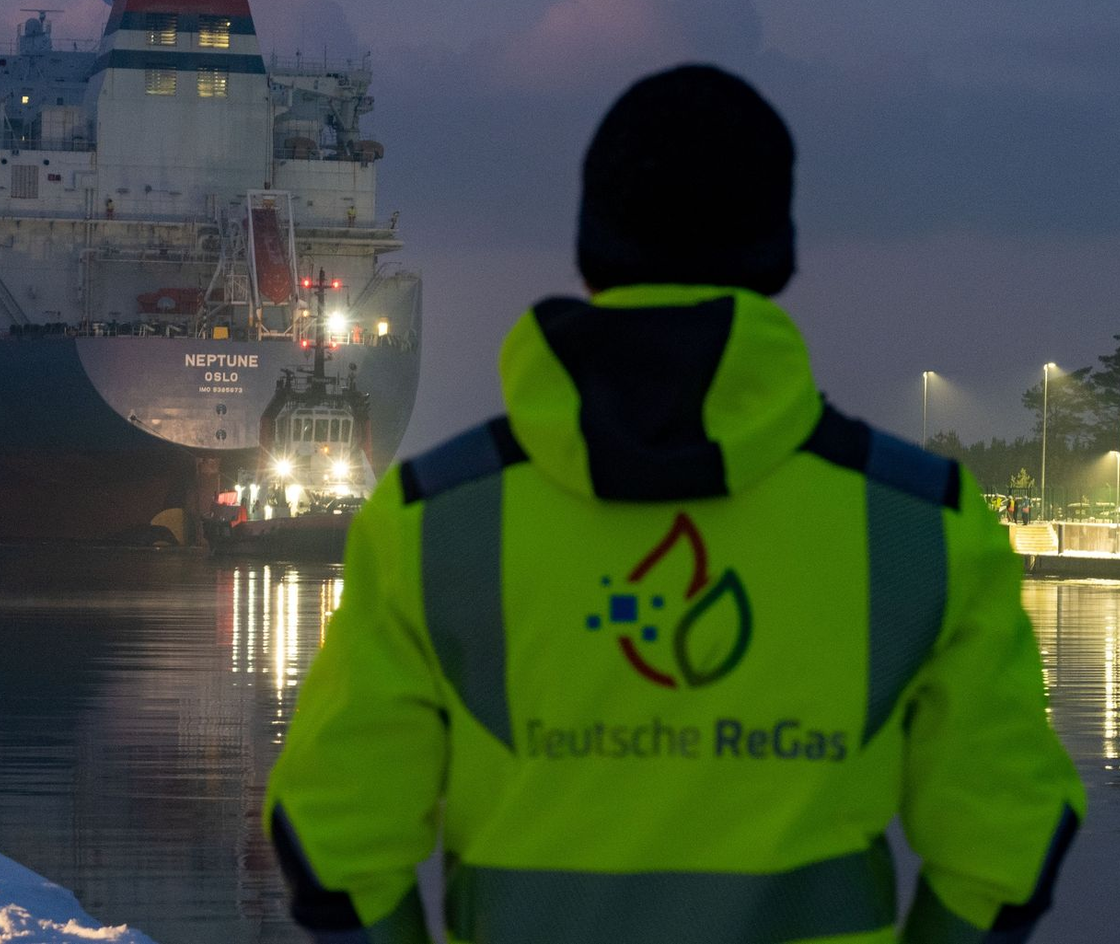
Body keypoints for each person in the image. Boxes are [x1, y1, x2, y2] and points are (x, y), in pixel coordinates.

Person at [264, 65, 1083, 943]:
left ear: (591, 247)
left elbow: (333, 838)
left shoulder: (432, 526)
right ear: (780, 251)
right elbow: (1012, 839)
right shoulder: (925, 527)